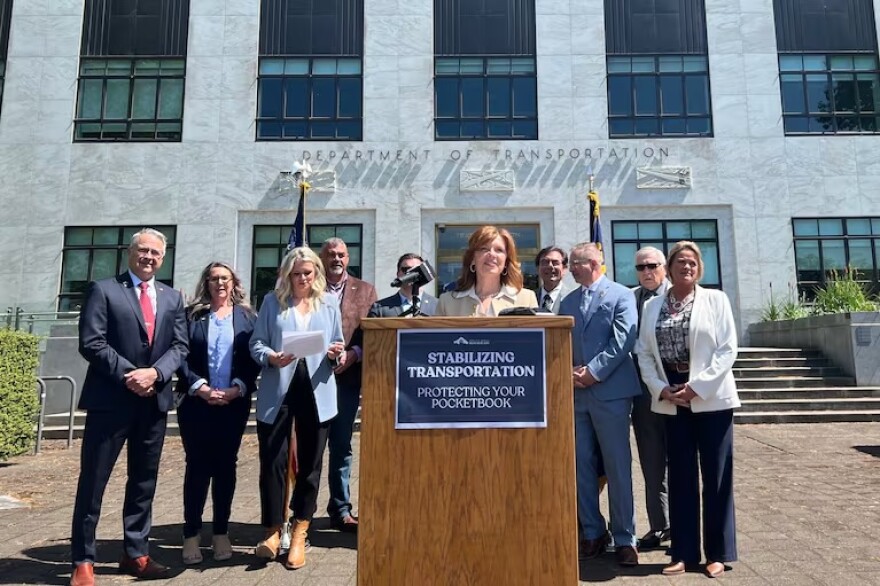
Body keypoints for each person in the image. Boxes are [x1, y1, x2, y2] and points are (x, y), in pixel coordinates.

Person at [70, 228, 188, 586]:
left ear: (163, 258)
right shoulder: (104, 290)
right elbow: (91, 342)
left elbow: (180, 346)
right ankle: (83, 560)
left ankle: (135, 552)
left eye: (155, 252)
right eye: (143, 250)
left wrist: (156, 373)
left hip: (153, 403)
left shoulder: (172, 297)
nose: (148, 257)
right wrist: (130, 375)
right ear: (130, 252)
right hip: (111, 401)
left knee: (143, 481)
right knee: (94, 481)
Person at [635, 241, 739, 579]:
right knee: (680, 477)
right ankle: (683, 552)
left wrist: (698, 387)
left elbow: (727, 349)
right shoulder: (652, 305)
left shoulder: (716, 300)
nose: (687, 266)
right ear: (669, 267)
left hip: (710, 396)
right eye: (680, 261)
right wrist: (660, 388)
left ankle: (718, 553)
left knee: (716, 475)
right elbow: (643, 352)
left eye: (693, 262)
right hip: (671, 396)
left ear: (700, 268)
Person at [250, 247, 345, 570]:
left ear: (316, 272)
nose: (303, 278)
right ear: (287, 275)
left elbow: (338, 344)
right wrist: (270, 357)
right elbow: (256, 343)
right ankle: (272, 530)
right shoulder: (271, 302)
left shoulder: (328, 303)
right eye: (296, 273)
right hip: (279, 389)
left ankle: (301, 529)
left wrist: (335, 353)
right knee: (272, 462)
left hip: (316, 389)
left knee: (310, 464)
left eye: (307, 272)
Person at [558, 242, 641, 567]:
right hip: (576, 394)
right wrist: (567, 371)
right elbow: (559, 342)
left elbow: (623, 340)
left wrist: (594, 372)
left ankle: (625, 538)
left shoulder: (622, 295)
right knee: (581, 466)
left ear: (591, 263)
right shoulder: (568, 301)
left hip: (611, 393)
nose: (569, 269)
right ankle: (592, 532)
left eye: (574, 263)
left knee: (618, 467)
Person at [176, 262, 260, 565]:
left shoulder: (248, 317)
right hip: (196, 403)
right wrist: (199, 387)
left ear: (234, 282)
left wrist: (238, 387)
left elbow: (253, 358)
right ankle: (191, 534)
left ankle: (221, 532)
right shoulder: (191, 316)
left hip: (233, 403)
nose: (220, 283)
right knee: (197, 466)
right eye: (214, 279)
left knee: (226, 467)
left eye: (225, 278)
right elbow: (179, 354)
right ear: (206, 283)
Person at [320, 238, 377, 533]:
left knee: (342, 445)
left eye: (341, 254)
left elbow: (372, 333)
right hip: (312, 379)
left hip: (347, 379)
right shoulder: (309, 286)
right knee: (309, 448)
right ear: (322, 257)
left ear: (348, 257)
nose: (336, 259)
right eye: (331, 254)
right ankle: (299, 513)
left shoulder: (366, 291)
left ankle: (341, 508)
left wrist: (355, 354)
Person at [630, 247, 672, 550]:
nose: (646, 272)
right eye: (640, 268)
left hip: (674, 387)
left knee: (679, 459)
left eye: (652, 266)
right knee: (651, 459)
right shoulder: (630, 298)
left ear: (664, 267)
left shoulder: (676, 296)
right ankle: (660, 524)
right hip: (643, 392)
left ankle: (683, 525)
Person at [435, 225, 537, 316]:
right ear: (472, 259)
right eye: (484, 249)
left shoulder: (526, 299)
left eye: (499, 250)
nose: (491, 254)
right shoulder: (446, 302)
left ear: (506, 262)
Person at [368, 253, 438, 317]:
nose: (410, 273)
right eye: (406, 269)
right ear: (398, 274)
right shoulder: (380, 308)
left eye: (416, 270)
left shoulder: (437, 305)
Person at [534, 245, 575, 313]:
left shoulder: (573, 298)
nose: (550, 266)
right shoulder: (531, 298)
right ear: (538, 268)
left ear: (564, 268)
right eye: (545, 262)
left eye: (555, 262)